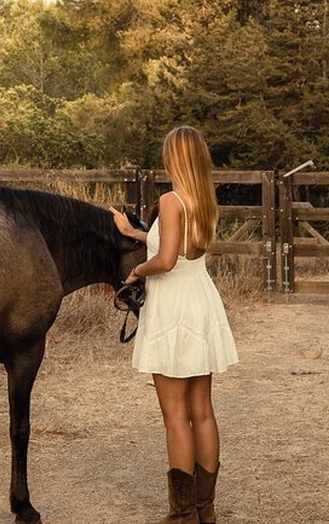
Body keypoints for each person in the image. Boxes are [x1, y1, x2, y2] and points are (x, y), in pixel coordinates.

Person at [110, 125, 238, 524]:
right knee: (202, 411)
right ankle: (205, 509)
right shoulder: (202, 199)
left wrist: (135, 274)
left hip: (174, 306)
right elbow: (177, 246)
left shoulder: (169, 199)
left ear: (175, 158)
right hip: (200, 299)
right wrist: (136, 232)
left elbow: (165, 261)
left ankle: (181, 515)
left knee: (175, 416)